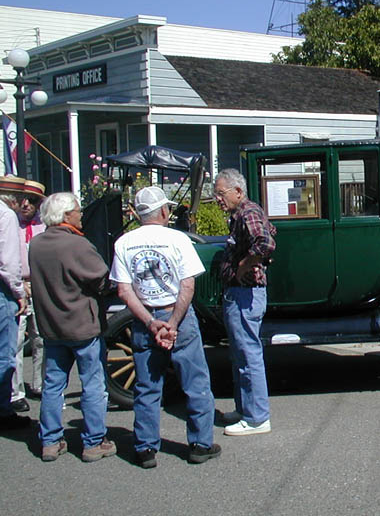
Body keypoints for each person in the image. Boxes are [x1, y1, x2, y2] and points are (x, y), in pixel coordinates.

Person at [110, 186, 219, 468]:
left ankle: (145, 447)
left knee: (147, 385)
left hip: (144, 316)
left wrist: (149, 322)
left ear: (137, 213)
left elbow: (124, 291)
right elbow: (188, 284)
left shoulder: (123, 243)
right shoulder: (177, 239)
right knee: (195, 383)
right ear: (162, 211)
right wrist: (172, 323)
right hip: (177, 315)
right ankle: (199, 443)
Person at [28, 192, 116, 462]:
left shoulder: (37, 244)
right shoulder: (77, 245)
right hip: (82, 326)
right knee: (93, 383)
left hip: (52, 327)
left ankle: (50, 442)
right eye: (77, 211)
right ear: (66, 215)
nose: (81, 215)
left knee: (53, 385)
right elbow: (102, 280)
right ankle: (93, 441)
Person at [213, 168, 275, 436]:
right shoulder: (240, 214)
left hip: (245, 294)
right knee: (240, 354)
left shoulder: (248, 212)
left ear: (238, 191)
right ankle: (245, 409)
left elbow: (266, 243)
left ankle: (257, 418)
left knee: (248, 355)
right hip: (238, 294)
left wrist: (243, 265)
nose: (217, 199)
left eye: (220, 193)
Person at [10, 179, 46, 412]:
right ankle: (15, 392)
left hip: (40, 285)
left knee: (42, 338)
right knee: (16, 342)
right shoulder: (11, 225)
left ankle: (41, 384)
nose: (26, 205)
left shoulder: (43, 228)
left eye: (31, 201)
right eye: (22, 200)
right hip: (20, 286)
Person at [0, 176, 30, 431]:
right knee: (5, 354)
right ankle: (3, 410)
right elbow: (8, 262)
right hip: (2, 290)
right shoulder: (6, 216)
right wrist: (19, 292)